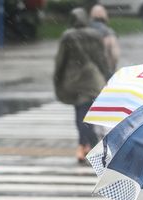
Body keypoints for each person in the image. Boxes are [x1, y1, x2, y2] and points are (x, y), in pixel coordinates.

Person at [54, 8, 111, 163]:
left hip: (74, 80)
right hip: (93, 79)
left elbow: (60, 60)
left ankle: (84, 145)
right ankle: (87, 145)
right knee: (88, 113)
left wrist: (58, 78)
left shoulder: (68, 36)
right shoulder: (96, 35)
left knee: (80, 112)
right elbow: (102, 59)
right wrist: (107, 76)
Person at [90, 4, 121, 73]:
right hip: (105, 70)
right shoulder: (108, 32)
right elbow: (115, 55)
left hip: (89, 72)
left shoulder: (85, 31)